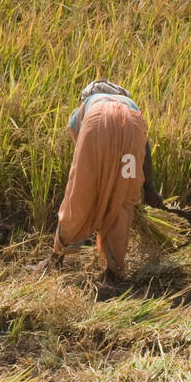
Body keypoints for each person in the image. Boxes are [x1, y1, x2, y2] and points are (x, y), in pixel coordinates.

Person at [53, 81, 164, 282]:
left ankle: (56, 257)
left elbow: (84, 160)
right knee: (122, 199)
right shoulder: (131, 105)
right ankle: (114, 271)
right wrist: (149, 188)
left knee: (79, 195)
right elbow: (144, 149)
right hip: (131, 129)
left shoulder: (85, 106)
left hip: (95, 124)